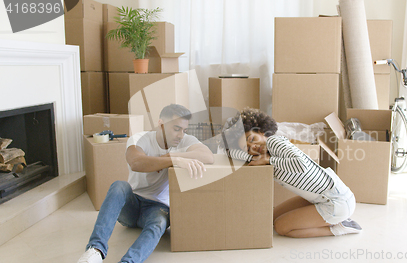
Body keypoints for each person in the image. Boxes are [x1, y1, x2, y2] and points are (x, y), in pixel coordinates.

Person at [78, 104, 214, 263]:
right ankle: (95, 251)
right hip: (132, 204)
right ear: (161, 124)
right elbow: (136, 162)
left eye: (184, 130)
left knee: (160, 221)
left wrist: (173, 154)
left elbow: (208, 156)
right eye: (176, 128)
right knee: (119, 186)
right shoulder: (140, 138)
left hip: (158, 207)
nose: (181, 135)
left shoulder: (183, 141)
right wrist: (173, 160)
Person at [222, 108, 361, 238]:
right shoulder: (261, 155)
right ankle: (328, 218)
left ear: (261, 131)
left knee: (281, 227)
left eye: (252, 139)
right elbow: (237, 154)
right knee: (272, 216)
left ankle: (339, 227)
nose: (252, 147)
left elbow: (301, 165)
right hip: (319, 198)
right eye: (246, 148)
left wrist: (269, 160)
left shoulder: (273, 142)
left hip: (336, 200)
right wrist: (227, 147)